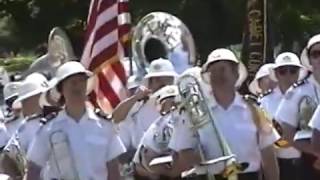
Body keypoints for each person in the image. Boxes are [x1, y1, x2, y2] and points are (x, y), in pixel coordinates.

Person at [168, 48, 280, 180]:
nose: (218, 75)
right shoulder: (194, 112)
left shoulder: (254, 110)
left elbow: (268, 156)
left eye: (223, 69)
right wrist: (194, 157)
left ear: (236, 74)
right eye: (213, 71)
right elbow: (181, 152)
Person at [26, 61, 126, 180]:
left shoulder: (104, 126)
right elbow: (34, 168)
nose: (77, 86)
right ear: (61, 89)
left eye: (81, 81)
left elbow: (113, 170)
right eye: (72, 82)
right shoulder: (49, 128)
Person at [275, 34, 320, 180]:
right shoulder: (297, 91)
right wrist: (315, 151)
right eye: (316, 54)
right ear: (310, 60)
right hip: (310, 160)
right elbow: (286, 132)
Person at [259, 52, 304, 180]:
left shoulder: (309, 94)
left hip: (306, 162)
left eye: (293, 70)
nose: (288, 75)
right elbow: (265, 136)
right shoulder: (265, 101)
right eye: (283, 71)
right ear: (276, 74)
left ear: (299, 73)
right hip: (278, 163)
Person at [133, 85, 180, 180]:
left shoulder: (179, 118)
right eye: (168, 101)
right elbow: (149, 161)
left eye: (174, 101)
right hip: (147, 171)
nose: (172, 105)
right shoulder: (163, 124)